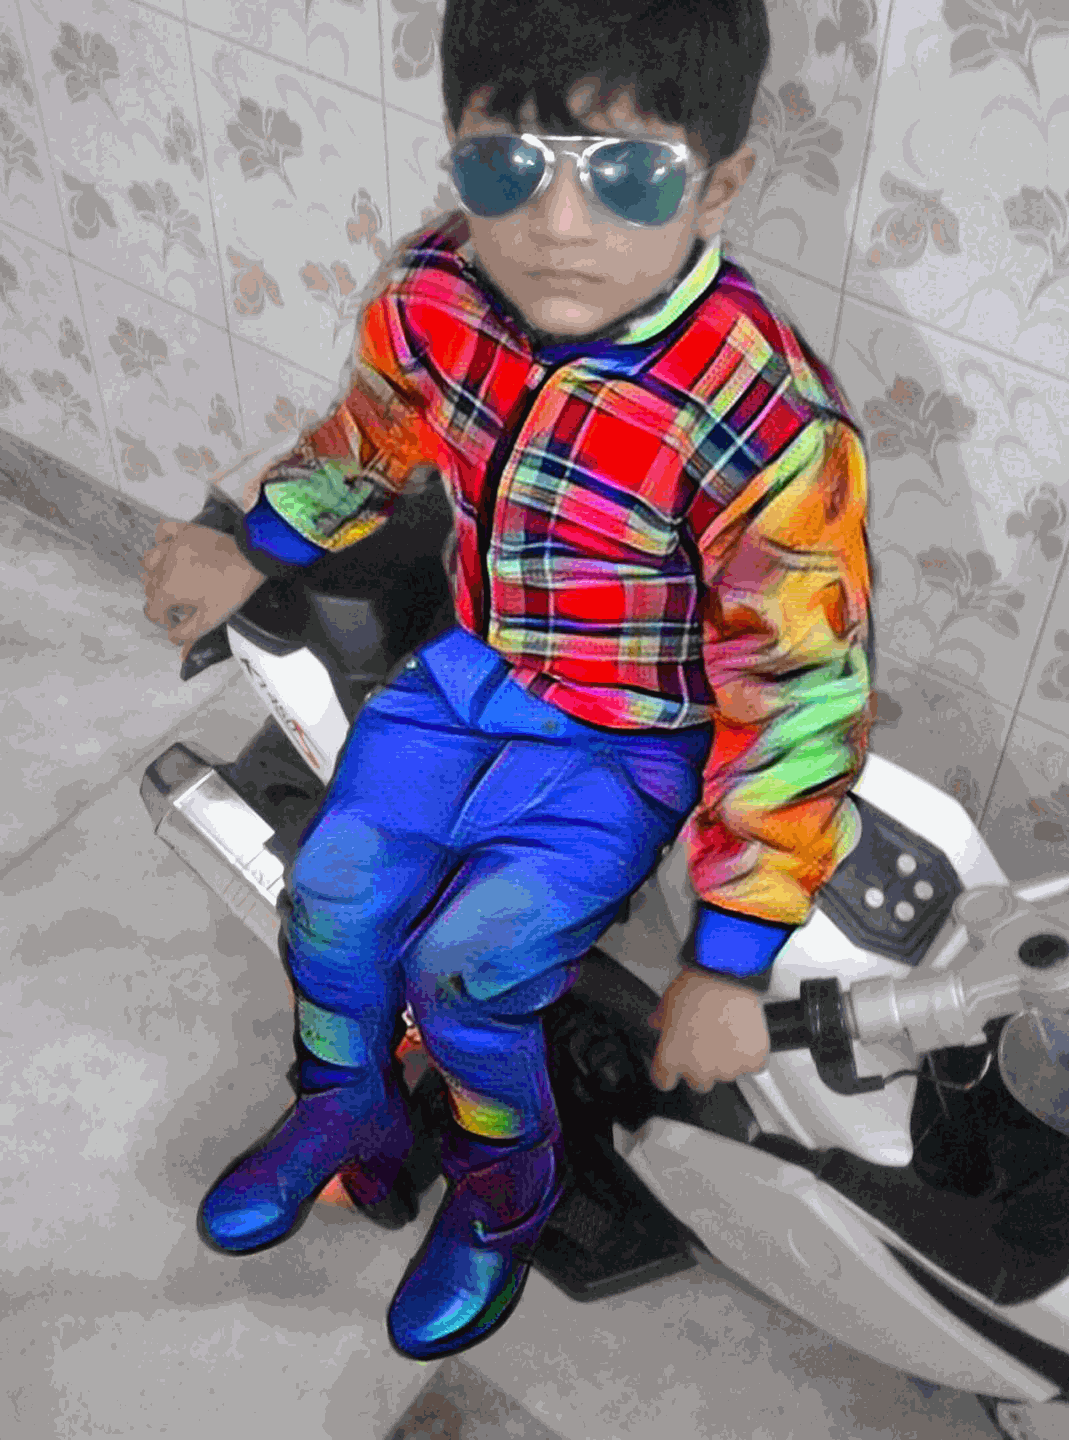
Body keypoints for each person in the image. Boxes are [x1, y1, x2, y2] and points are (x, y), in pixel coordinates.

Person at [140, 0, 874, 1363]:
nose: (557, 225)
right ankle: (345, 1106)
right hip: (471, 673)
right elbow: (370, 441)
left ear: (718, 183)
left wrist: (731, 959)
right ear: (457, 150)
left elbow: (799, 691)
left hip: (629, 733)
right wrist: (249, 548)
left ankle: (501, 1193)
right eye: (505, 165)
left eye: (628, 173)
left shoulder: (765, 420)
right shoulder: (437, 293)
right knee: (333, 902)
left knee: (468, 970)